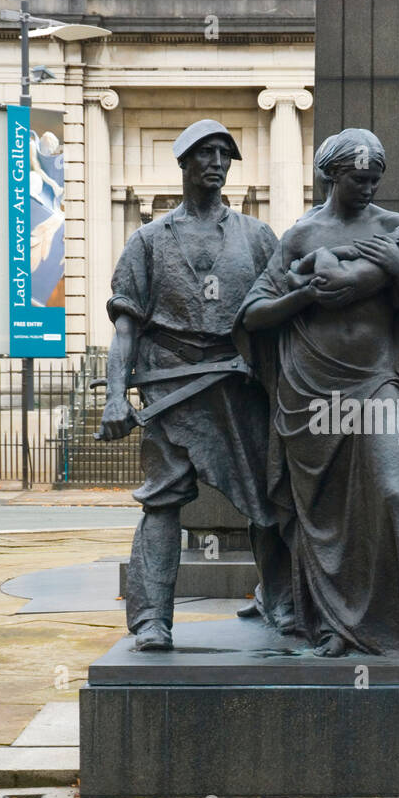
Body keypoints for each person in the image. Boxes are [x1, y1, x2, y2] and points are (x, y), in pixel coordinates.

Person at [237, 128, 399, 660]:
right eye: (359, 179)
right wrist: (305, 293)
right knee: (330, 516)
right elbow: (253, 314)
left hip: (380, 381)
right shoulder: (301, 237)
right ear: (331, 175)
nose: (369, 188)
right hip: (310, 390)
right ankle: (340, 623)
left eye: (375, 179)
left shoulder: (396, 230)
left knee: (397, 490)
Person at [97, 119, 292, 650]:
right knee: (162, 500)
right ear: (183, 163)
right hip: (169, 388)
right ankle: (151, 620)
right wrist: (117, 396)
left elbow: (279, 314)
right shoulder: (148, 241)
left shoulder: (256, 236)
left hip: (238, 386)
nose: (216, 163)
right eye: (205, 153)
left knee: (268, 500)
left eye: (224, 155)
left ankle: (281, 601)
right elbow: (125, 327)